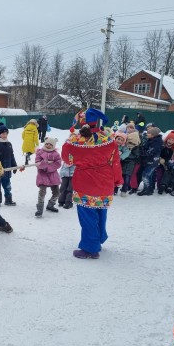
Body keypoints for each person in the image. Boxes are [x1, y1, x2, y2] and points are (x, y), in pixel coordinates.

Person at [61, 108, 122, 259]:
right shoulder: (108, 139)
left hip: (86, 182)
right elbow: (115, 162)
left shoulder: (75, 141)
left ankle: (90, 248)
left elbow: (67, 160)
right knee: (101, 212)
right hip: (105, 182)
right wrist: (117, 180)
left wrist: (67, 142)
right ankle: (99, 239)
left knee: (87, 216)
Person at [0, 124, 19, 206]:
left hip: (7, 170)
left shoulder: (8, 144)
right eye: (3, 134)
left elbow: (12, 156)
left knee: (7, 186)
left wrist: (14, 166)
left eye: (6, 133)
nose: (5, 135)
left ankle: (8, 200)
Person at [34, 137, 61, 217]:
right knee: (42, 192)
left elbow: (58, 163)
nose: (48, 145)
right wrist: (44, 163)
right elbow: (37, 163)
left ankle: (50, 205)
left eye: (50, 144)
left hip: (53, 176)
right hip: (43, 175)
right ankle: (40, 209)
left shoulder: (56, 154)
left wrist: (50, 167)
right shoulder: (40, 152)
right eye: (47, 144)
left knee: (56, 192)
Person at [137, 127, 163, 196]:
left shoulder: (156, 142)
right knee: (149, 175)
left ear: (153, 135)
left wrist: (140, 151)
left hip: (152, 162)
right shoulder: (151, 140)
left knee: (145, 175)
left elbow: (149, 152)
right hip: (150, 161)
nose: (147, 134)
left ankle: (146, 189)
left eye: (149, 133)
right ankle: (150, 189)